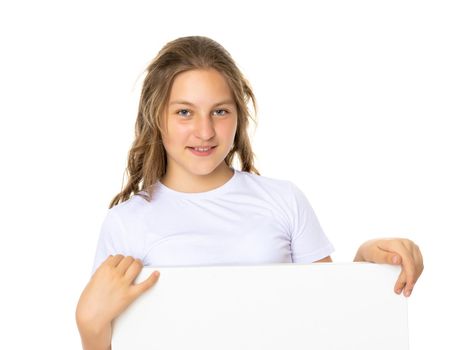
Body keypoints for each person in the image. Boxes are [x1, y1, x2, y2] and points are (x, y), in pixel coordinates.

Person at [75, 36, 424, 350]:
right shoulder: (127, 223)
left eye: (220, 112)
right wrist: (89, 327)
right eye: (184, 112)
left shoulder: (283, 201)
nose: (205, 131)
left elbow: (330, 316)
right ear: (157, 118)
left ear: (238, 116)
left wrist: (367, 265)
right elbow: (112, 338)